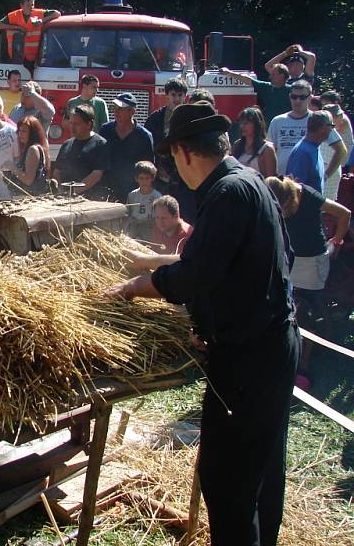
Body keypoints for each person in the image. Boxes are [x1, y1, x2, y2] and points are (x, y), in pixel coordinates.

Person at [108, 102, 299, 546]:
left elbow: (197, 275)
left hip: (248, 360)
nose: (175, 168)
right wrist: (155, 263)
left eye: (173, 158)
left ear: (186, 153)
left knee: (226, 480)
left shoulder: (228, 194)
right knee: (261, 470)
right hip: (271, 346)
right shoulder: (249, 182)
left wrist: (136, 285)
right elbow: (233, 263)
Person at [265, 175, 350, 378]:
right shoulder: (274, 196)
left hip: (313, 261)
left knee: (305, 312)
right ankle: (284, 350)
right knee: (286, 305)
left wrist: (337, 241)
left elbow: (344, 214)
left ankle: (302, 363)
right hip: (291, 259)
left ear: (288, 200)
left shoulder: (308, 195)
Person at [100, 92, 155, 201]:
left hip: (133, 192)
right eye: (114, 108)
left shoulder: (144, 136)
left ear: (132, 111)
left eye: (120, 109)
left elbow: (148, 167)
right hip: (106, 189)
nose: (116, 112)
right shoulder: (105, 131)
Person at [52, 104, 110, 198]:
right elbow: (57, 172)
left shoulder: (100, 144)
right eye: (71, 123)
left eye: (76, 124)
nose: (72, 127)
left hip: (90, 200)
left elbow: (96, 174)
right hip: (63, 198)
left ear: (89, 124)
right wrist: (60, 192)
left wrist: (73, 192)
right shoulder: (67, 144)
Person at [145, 78, 188, 192]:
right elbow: (148, 145)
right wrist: (156, 167)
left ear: (185, 96)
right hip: (161, 174)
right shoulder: (155, 118)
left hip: (185, 173)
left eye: (180, 95)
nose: (176, 99)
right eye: (173, 94)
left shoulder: (191, 118)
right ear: (167, 96)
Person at [0, 0, 61, 70]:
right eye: (28, 5)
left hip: (36, 57)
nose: (31, 7)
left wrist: (42, 20)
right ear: (21, 5)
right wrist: (17, 28)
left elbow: (57, 13)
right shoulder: (13, 15)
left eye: (32, 5)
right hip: (17, 56)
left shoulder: (39, 13)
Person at [268, 79, 314, 174]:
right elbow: (270, 151)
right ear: (290, 97)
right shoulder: (278, 121)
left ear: (309, 98)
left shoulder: (317, 120)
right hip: (282, 178)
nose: (297, 100)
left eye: (302, 97)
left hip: (309, 179)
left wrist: (326, 174)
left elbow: (340, 149)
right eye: (294, 97)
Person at [220, 64, 290, 124]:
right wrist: (228, 72)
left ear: (282, 76)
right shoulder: (267, 87)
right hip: (269, 127)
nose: (270, 77)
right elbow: (247, 80)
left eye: (273, 74)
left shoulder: (292, 91)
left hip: (286, 126)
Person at [285, 110, 333, 194]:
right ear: (324, 128)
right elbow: (294, 190)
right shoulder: (303, 153)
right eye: (331, 126)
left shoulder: (313, 148)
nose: (332, 130)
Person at [6, 115, 48, 196]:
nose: (20, 134)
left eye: (24, 131)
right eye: (19, 131)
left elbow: (28, 180)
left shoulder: (33, 150)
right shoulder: (29, 148)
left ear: (32, 133)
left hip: (29, 198)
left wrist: (12, 167)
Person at [231, 108, 277, 177]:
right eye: (241, 122)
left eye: (246, 123)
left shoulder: (267, 149)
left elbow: (271, 180)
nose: (242, 126)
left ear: (257, 124)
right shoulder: (237, 145)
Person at [126, 161, 162, 241]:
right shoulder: (132, 195)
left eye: (147, 178)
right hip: (134, 230)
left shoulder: (157, 197)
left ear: (152, 178)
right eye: (141, 178)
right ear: (136, 179)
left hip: (149, 230)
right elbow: (129, 213)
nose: (144, 181)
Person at [320, 92, 353, 162]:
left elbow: (328, 136)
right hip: (334, 156)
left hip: (342, 157)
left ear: (336, 102)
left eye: (326, 104)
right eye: (322, 104)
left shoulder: (341, 118)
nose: (324, 107)